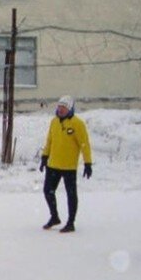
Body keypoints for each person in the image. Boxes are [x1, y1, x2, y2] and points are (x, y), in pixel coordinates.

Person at [39, 95, 93, 233]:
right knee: (48, 191)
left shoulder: (77, 123)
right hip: (53, 164)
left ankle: (71, 222)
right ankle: (54, 216)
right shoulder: (54, 122)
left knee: (71, 194)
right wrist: (45, 157)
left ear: (70, 109)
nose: (61, 110)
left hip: (69, 166)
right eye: (59, 107)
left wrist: (88, 163)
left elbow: (84, 144)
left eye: (64, 107)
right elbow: (49, 140)